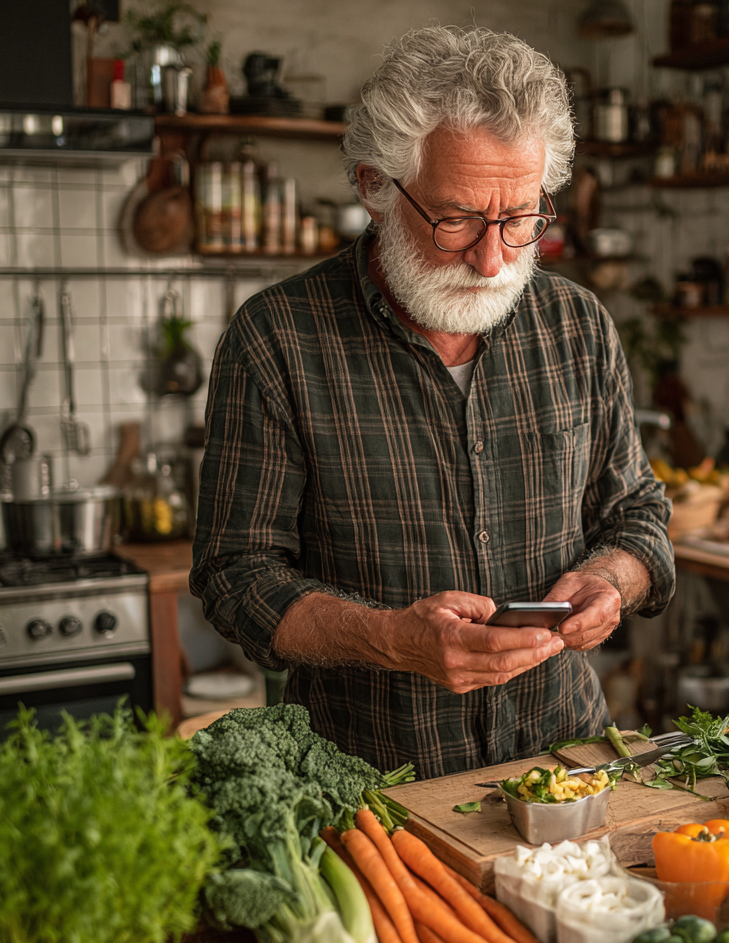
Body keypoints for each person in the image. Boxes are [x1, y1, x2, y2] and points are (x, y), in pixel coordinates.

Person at [191, 26, 675, 779]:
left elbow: (638, 513)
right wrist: (392, 639)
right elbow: (234, 575)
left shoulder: (578, 326)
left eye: (520, 220)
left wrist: (613, 582)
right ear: (375, 187)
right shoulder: (276, 338)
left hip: (565, 765)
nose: (491, 260)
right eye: (455, 219)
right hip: (370, 795)